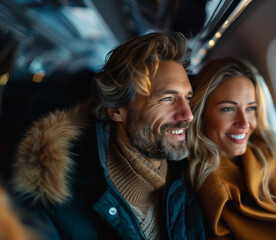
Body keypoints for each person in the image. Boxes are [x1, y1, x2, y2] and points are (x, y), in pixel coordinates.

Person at [11, 32, 205, 240]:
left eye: (187, 98)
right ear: (117, 110)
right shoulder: (55, 203)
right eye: (167, 99)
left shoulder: (194, 183)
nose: (188, 115)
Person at [187, 58, 276, 239]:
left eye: (251, 108)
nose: (244, 122)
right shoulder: (194, 188)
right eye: (228, 109)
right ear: (201, 113)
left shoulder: (275, 156)